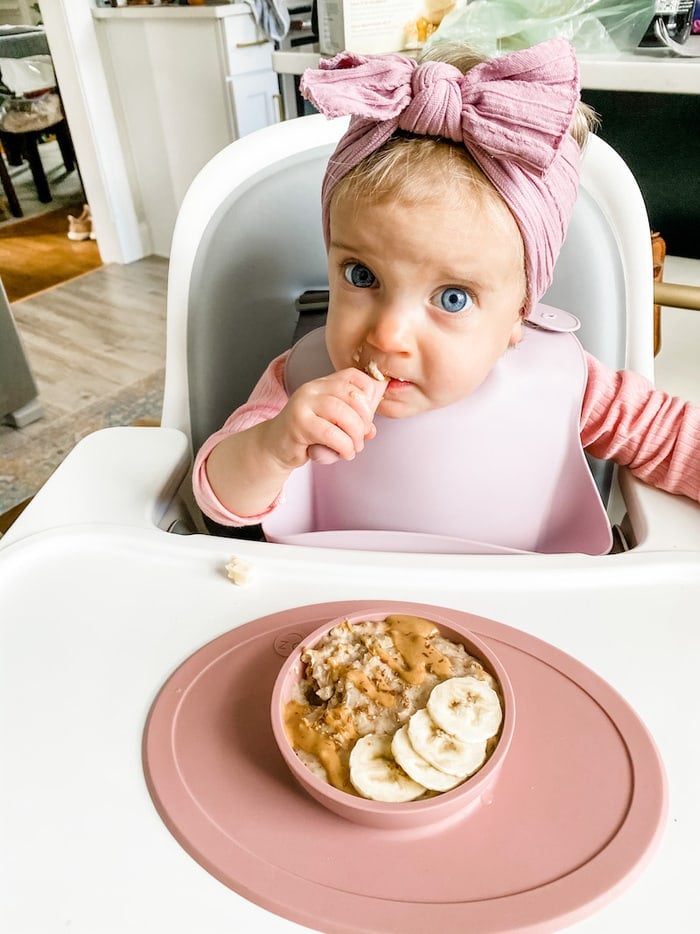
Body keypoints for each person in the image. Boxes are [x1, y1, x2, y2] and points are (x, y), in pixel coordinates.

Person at [192, 38, 699, 554]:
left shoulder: (570, 383)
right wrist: (274, 446)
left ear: (517, 314)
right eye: (362, 276)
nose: (388, 333)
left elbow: (671, 440)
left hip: (526, 606)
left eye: (452, 298)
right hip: (334, 611)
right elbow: (219, 500)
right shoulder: (300, 382)